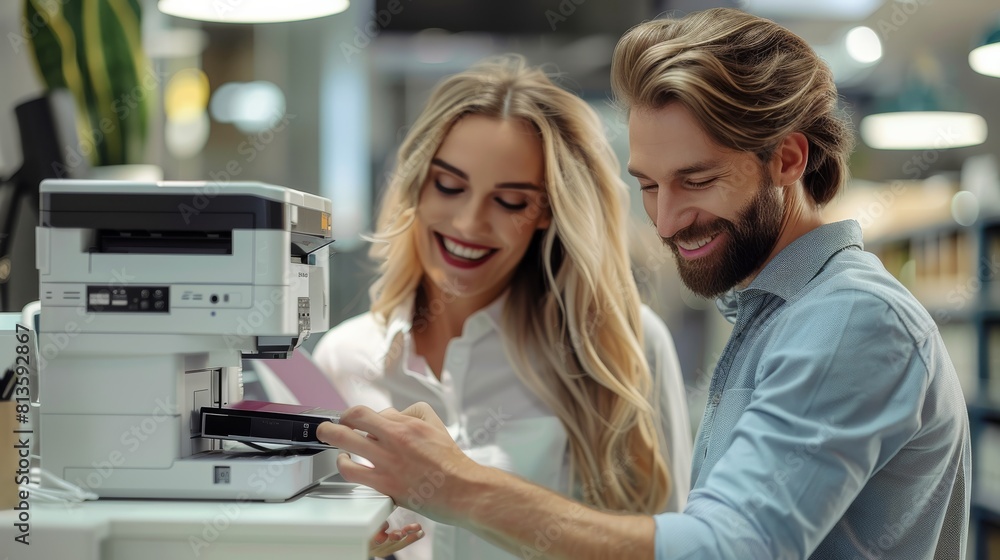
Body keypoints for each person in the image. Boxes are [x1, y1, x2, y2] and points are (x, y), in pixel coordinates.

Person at [318, 8, 971, 560]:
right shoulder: (776, 315)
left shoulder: (851, 320)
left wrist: (456, 487)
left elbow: (724, 548)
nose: (665, 220)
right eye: (650, 186)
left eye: (696, 180)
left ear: (789, 158)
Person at [312, 55, 692, 559]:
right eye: (449, 186)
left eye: (510, 201)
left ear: (546, 212)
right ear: (417, 185)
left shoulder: (624, 346)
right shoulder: (341, 357)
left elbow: (673, 547)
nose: (469, 223)